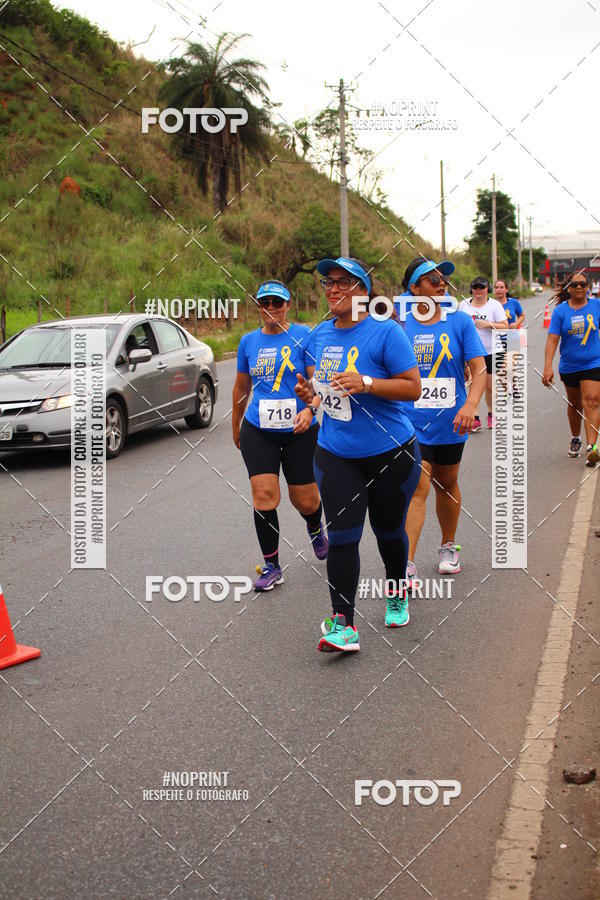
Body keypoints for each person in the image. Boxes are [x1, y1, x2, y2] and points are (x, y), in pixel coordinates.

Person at [295, 257, 422, 652]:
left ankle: (397, 591)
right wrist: (311, 399)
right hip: (336, 453)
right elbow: (324, 387)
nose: (332, 289)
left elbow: (413, 388)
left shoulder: (386, 332)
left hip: (391, 452)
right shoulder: (319, 336)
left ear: (363, 292)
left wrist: (367, 383)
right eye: (327, 283)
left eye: (342, 283)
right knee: (344, 536)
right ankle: (343, 624)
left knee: (388, 532)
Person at [232, 279, 328, 591]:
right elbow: (241, 387)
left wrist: (311, 409)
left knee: (305, 499)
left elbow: (319, 384)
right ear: (258, 306)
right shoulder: (248, 342)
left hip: (300, 429)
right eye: (264, 303)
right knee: (263, 496)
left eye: (277, 302)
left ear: (288, 305)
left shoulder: (304, 335)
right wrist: (236, 425)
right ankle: (272, 565)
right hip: (259, 430)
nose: (271, 308)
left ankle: (315, 527)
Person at [400, 259, 486, 581]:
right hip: (410, 421)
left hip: (452, 420)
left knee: (446, 485)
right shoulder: (400, 325)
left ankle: (448, 545)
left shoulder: (460, 321)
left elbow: (478, 369)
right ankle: (406, 563)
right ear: (414, 288)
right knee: (417, 486)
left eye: (444, 278)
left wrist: (472, 405)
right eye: (432, 278)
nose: (441, 283)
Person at [542, 271, 600, 465]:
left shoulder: (596, 306)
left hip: (593, 363)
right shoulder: (560, 311)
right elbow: (552, 341)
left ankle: (592, 447)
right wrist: (548, 366)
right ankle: (576, 438)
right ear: (568, 288)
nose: (579, 288)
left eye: (583, 284)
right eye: (574, 284)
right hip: (569, 365)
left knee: (591, 401)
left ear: (588, 287)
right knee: (575, 405)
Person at [459, 278, 508, 430]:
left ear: (488, 289)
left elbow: (505, 327)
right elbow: (458, 325)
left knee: (490, 387)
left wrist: (489, 324)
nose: (478, 290)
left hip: (492, 350)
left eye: (482, 287)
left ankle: (492, 414)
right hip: (471, 352)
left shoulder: (495, 305)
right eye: (475, 287)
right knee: (473, 384)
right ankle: (475, 418)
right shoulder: (464, 305)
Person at [494, 278, 525, 398]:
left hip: (512, 337)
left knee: (508, 366)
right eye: (497, 287)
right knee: (501, 370)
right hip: (496, 340)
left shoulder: (513, 303)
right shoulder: (491, 304)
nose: (499, 290)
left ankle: (514, 385)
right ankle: (508, 390)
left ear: (506, 290)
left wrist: (516, 323)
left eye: (502, 287)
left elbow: (522, 315)